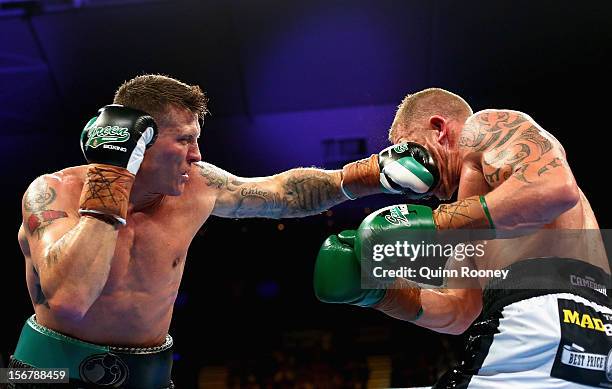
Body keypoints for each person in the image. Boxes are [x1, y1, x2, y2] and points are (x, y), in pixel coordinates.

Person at [10, 74, 441, 388]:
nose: (197, 155)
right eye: (183, 140)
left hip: (149, 378)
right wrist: (112, 173)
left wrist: (371, 174)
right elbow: (68, 301)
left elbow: (282, 194)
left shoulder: (196, 187)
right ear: (138, 140)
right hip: (44, 374)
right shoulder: (53, 193)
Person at [314, 88, 612, 388]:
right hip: (588, 333)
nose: (403, 174)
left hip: (542, 324)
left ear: (439, 129)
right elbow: (459, 311)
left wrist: (432, 224)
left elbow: (554, 188)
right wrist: (379, 293)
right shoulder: (472, 217)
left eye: (408, 149)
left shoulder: (485, 128)